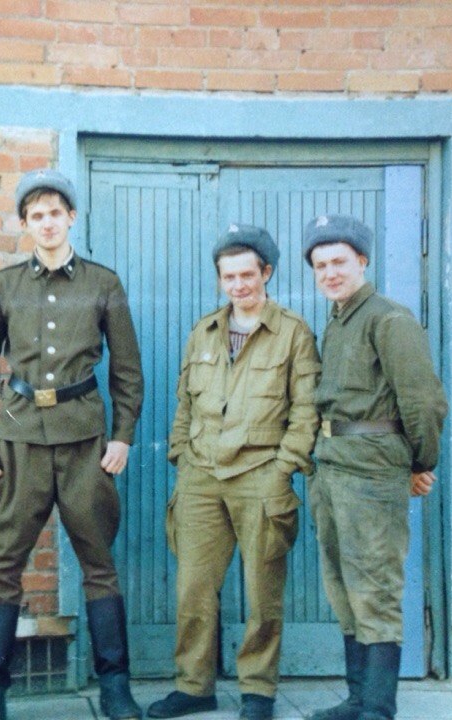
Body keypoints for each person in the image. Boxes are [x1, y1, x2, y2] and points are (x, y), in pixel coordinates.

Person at [0, 169, 144, 720]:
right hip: (18, 440)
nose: (47, 223)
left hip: (85, 441)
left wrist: (122, 436)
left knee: (98, 561)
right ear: (25, 223)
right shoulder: (5, 286)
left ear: (72, 218)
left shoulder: (103, 283)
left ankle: (115, 687)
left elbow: (128, 371)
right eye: (36, 215)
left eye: (55, 213)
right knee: (5, 564)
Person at [148, 224, 320, 720]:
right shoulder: (203, 331)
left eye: (247, 274)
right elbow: (185, 402)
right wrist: (182, 455)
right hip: (201, 475)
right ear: (220, 279)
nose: (238, 285)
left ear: (266, 272)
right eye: (229, 277)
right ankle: (193, 687)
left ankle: (258, 691)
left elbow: (306, 410)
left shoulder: (293, 333)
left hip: (261, 473)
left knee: (262, 590)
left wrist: (284, 467)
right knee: (194, 588)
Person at [302, 215, 448, 720]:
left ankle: (378, 708)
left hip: (371, 472)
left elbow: (423, 401)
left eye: (339, 262)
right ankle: (358, 698)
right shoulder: (339, 320)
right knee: (343, 586)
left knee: (375, 588)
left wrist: (419, 462)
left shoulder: (389, 319)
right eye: (320, 265)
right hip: (332, 468)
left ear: (362, 261)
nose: (330, 273)